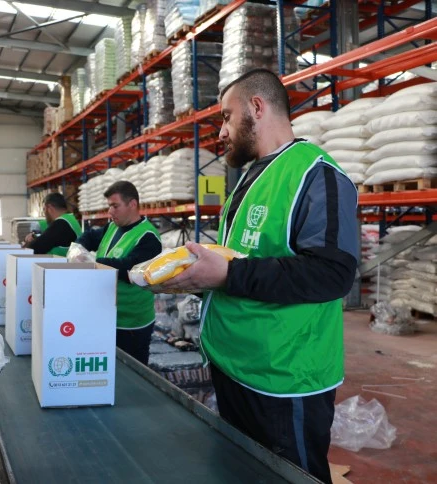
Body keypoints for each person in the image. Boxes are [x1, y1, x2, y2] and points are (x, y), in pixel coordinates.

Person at [159, 69, 358, 484]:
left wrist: (227, 274)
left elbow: (332, 275)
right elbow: (245, 256)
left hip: (283, 378)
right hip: (235, 365)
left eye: (226, 117)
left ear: (256, 107)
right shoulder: (250, 176)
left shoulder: (316, 175)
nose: (221, 132)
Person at [77, 181, 162, 364]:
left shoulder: (149, 237)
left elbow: (130, 268)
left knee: (132, 376)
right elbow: (90, 237)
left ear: (132, 204)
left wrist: (93, 263)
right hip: (106, 317)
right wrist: (78, 249)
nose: (110, 212)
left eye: (115, 206)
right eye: (109, 206)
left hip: (131, 323)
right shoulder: (112, 227)